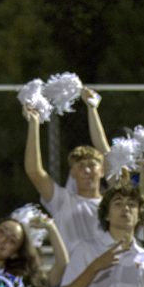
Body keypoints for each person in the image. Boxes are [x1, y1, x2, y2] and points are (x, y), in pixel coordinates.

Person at [22, 106, 104, 251]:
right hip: (71, 266)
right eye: (80, 166)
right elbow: (34, 171)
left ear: (102, 171)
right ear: (72, 173)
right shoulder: (62, 201)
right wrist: (34, 124)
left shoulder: (112, 204)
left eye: (92, 165)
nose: (86, 170)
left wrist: (92, 108)